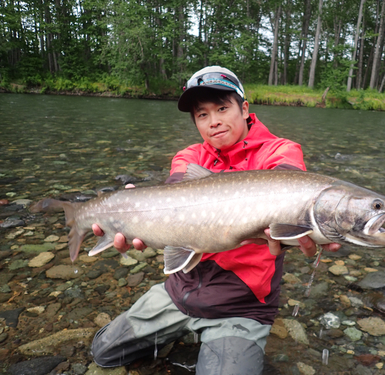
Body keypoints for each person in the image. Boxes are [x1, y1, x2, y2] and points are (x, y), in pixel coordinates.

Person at [90, 66, 341, 375]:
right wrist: (134, 211)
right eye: (202, 115)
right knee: (103, 352)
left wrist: (319, 222)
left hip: (239, 307)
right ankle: (191, 333)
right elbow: (171, 194)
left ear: (244, 108)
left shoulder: (280, 152)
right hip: (178, 292)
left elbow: (293, 189)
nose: (214, 122)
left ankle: (220, 340)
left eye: (222, 108)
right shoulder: (189, 157)